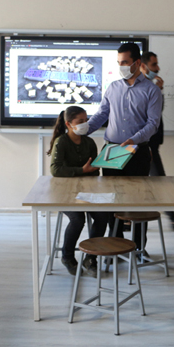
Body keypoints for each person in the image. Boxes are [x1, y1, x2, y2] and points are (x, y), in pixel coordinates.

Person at [87, 42, 163, 247]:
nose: (121, 66)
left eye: (125, 62)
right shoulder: (113, 87)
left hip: (137, 150)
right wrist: (84, 130)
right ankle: (116, 245)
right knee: (112, 200)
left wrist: (134, 140)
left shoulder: (152, 91)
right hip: (112, 150)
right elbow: (102, 114)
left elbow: (153, 124)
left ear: (137, 63)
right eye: (119, 62)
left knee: (138, 201)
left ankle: (138, 248)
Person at [48, 106, 110, 276]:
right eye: (80, 121)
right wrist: (82, 171)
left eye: (86, 120)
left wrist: (92, 171)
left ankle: (91, 258)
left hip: (87, 190)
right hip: (64, 192)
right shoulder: (61, 142)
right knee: (77, 219)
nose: (85, 124)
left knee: (102, 216)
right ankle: (67, 257)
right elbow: (55, 170)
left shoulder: (89, 142)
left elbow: (94, 170)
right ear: (69, 124)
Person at [140, 51, 174, 231]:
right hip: (145, 145)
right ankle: (173, 218)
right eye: (154, 64)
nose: (158, 68)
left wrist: (158, 91)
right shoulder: (140, 87)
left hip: (151, 143)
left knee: (153, 181)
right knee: (158, 181)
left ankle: (128, 219)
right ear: (143, 66)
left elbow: (156, 114)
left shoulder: (150, 86)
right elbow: (147, 116)